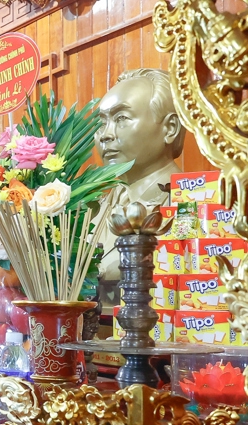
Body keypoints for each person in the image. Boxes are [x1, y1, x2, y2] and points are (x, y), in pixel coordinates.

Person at [94, 68, 185, 303]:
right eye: (102, 123)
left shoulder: (190, 205)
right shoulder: (92, 211)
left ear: (170, 128)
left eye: (121, 118)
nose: (105, 135)